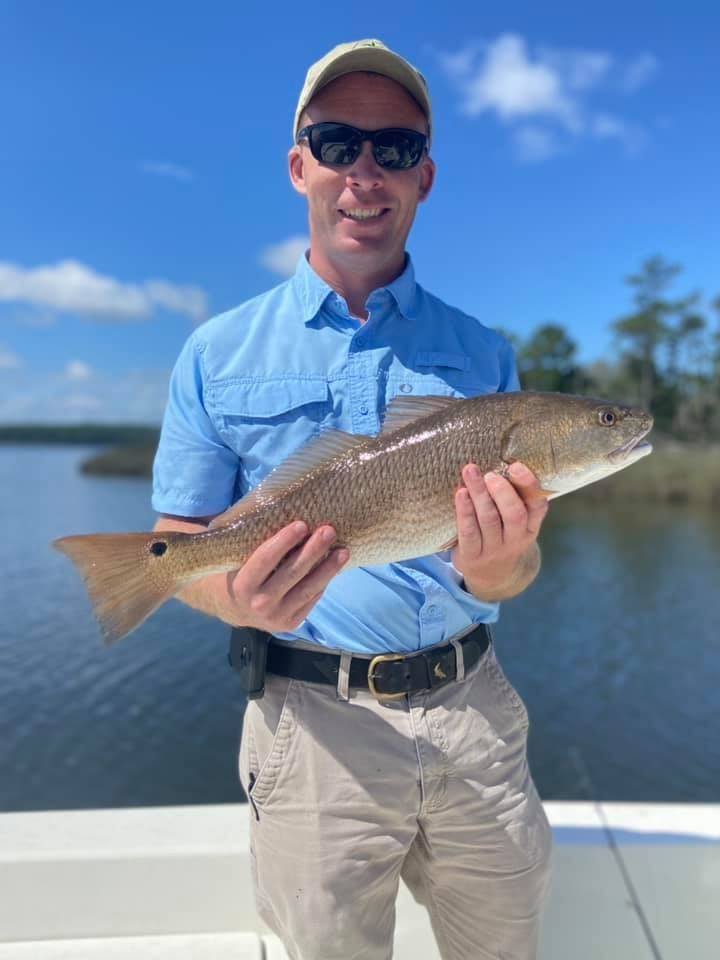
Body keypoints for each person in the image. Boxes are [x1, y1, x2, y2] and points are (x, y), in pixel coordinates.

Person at [152, 38, 553, 960]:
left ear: (426, 179)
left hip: (475, 710)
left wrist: (501, 565)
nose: (365, 173)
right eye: (338, 144)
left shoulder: (485, 354)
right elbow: (177, 548)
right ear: (300, 168)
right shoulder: (216, 352)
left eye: (396, 150)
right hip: (310, 723)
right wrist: (235, 596)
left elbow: (518, 565)